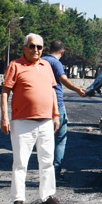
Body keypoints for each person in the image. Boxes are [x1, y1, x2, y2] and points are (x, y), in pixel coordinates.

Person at [0, 33, 67, 204]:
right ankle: (18, 200)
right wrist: (4, 117)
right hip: (22, 123)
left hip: (45, 122)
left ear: (42, 49)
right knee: (20, 162)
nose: (35, 50)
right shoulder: (15, 65)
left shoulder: (46, 66)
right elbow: (5, 92)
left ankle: (48, 196)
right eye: (31, 46)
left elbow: (52, 91)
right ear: (24, 48)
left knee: (47, 161)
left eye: (39, 47)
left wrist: (55, 115)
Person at [42, 40, 88, 178]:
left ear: (49, 49)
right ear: (62, 52)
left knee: (45, 139)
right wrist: (78, 89)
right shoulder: (56, 63)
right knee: (60, 139)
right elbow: (63, 79)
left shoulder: (41, 61)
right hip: (56, 104)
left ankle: (44, 170)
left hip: (42, 103)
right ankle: (55, 172)